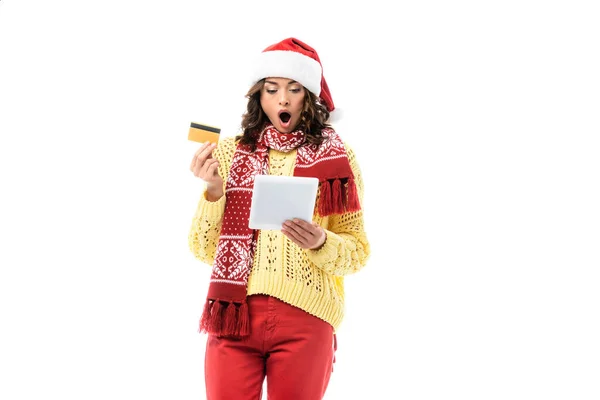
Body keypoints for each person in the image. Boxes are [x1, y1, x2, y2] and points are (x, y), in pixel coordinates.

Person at [188, 37, 371, 400]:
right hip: (234, 316)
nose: (283, 100)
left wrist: (322, 241)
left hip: (307, 314)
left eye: (294, 89)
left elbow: (358, 251)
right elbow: (203, 249)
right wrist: (213, 191)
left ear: (309, 98)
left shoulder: (338, 158)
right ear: (260, 96)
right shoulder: (228, 152)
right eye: (272, 89)